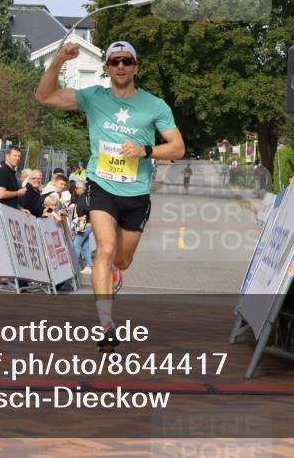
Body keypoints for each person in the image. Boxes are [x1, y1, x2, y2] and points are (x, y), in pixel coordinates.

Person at [36, 40, 185, 352]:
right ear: (107, 68)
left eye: (126, 61)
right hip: (100, 184)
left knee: (121, 259)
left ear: (135, 67)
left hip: (137, 193)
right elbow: (44, 95)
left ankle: (114, 275)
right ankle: (106, 324)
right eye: (114, 61)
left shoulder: (154, 105)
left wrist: (145, 150)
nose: (120, 66)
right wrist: (59, 60)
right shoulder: (94, 97)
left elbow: (177, 147)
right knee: (103, 250)